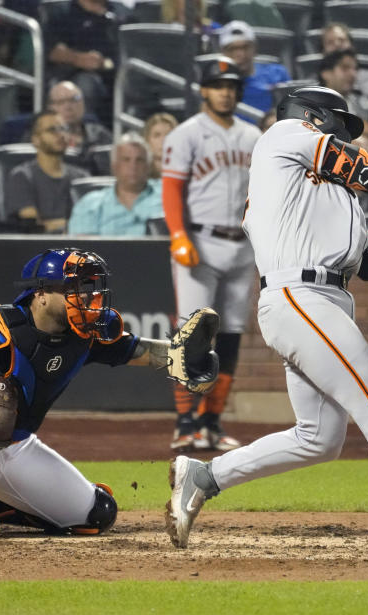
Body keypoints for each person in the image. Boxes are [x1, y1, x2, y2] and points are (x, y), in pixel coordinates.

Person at [165, 85, 368, 556]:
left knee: (319, 438)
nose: (347, 137)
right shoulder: (282, 135)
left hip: (322, 300)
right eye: (340, 126)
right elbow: (365, 170)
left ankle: (203, 475)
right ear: (313, 116)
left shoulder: (331, 195)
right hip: (299, 295)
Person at [0, 248, 219, 538]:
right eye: (72, 289)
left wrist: (180, 357)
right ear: (40, 294)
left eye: (87, 287)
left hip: (14, 444)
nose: (85, 297)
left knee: (97, 514)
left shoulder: (88, 331)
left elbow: (141, 352)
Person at [162, 56, 260, 451]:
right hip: (200, 243)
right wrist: (178, 235)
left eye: (231, 86)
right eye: (218, 86)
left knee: (232, 335)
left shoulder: (253, 136)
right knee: (192, 334)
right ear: (203, 90)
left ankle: (212, 423)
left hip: (242, 244)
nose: (225, 92)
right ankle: (186, 423)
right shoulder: (186, 134)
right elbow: (171, 189)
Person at [45, 0, 130, 124]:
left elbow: (135, 47)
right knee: (86, 85)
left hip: (118, 74)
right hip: (74, 74)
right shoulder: (61, 11)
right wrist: (77, 58)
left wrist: (106, 64)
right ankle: (85, 134)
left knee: (137, 88)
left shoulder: (121, 12)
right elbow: (50, 50)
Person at [5, 111, 90, 233]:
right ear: (36, 140)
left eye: (63, 129)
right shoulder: (22, 176)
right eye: (52, 130)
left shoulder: (82, 177)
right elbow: (33, 227)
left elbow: (90, 221)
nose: (61, 134)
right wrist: (71, 224)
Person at [68, 132, 163, 235]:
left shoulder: (167, 196)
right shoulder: (90, 204)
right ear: (114, 166)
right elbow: (82, 247)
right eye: (126, 160)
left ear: (148, 166)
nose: (133, 166)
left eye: (139, 160)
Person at [217, 20, 291, 121]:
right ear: (223, 53)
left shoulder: (277, 74)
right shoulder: (216, 84)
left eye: (245, 47)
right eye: (233, 49)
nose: (240, 54)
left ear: (255, 48)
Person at [47, 81, 113, 174]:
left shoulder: (100, 135)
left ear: (83, 103)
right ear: (51, 108)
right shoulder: (41, 136)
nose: (68, 107)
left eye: (74, 99)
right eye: (61, 102)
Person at [320, 22, 368, 103]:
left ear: (351, 45)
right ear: (323, 51)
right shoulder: (313, 86)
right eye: (330, 42)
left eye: (341, 40)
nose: (337, 45)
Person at [316, 49, 368, 124]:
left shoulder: (364, 102)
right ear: (326, 74)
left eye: (355, 69)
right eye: (345, 68)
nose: (353, 74)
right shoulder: (313, 106)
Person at [143, 112, 179, 179]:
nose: (163, 140)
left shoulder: (186, 171)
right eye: (157, 135)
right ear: (147, 140)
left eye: (168, 135)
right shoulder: (138, 173)